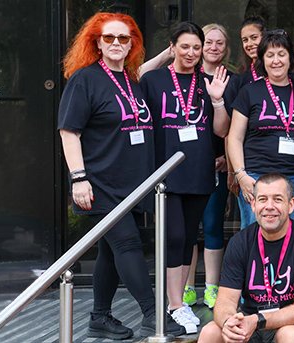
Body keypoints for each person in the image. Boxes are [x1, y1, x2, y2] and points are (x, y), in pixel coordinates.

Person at [57, 12, 180, 339]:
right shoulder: (84, 80)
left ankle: (99, 317)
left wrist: (169, 54)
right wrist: (78, 178)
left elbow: (143, 69)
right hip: (100, 184)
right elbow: (69, 132)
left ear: (132, 44)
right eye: (109, 37)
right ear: (96, 42)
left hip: (132, 185)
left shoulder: (129, 78)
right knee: (126, 243)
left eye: (123, 38)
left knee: (111, 253)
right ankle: (154, 314)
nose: (115, 43)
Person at [140, 21, 231, 335]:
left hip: (199, 170)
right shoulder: (154, 79)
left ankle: (175, 303)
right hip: (166, 171)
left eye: (197, 47)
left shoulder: (208, 82)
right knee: (174, 236)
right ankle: (176, 304)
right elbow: (134, 76)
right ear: (173, 47)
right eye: (185, 46)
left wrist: (217, 99)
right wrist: (163, 56)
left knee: (189, 236)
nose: (192, 53)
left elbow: (221, 130)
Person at [199, 173, 294, 343]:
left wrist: (258, 321)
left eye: (278, 199)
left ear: (291, 204)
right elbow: (225, 300)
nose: (269, 206)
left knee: (290, 335)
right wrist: (229, 322)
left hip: (292, 324)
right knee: (211, 332)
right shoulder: (240, 242)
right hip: (250, 320)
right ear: (253, 204)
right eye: (263, 199)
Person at [228, 30, 294, 230]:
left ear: (290, 58)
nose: (276, 61)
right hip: (256, 177)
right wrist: (241, 175)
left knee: (292, 236)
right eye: (270, 55)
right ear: (262, 60)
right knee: (253, 235)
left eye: (281, 54)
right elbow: (234, 137)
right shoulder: (249, 91)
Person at [185, 22, 236, 311]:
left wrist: (228, 160)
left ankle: (213, 288)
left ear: (225, 47)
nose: (214, 47)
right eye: (209, 42)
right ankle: (189, 287)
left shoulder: (233, 80)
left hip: (218, 164)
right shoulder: (186, 77)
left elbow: (236, 126)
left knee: (214, 225)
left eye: (219, 42)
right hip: (189, 164)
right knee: (189, 229)